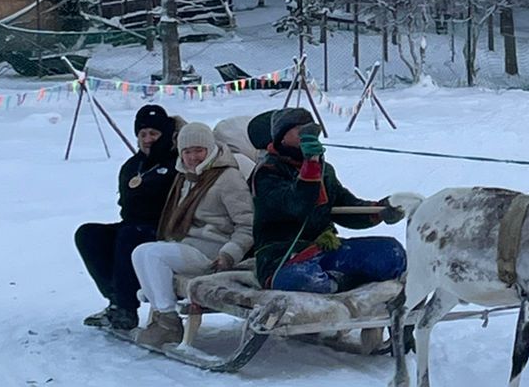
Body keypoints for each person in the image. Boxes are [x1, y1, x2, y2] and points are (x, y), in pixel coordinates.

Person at [247, 107, 406, 293]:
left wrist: (380, 210)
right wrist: (310, 164)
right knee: (301, 278)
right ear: (282, 137)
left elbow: (345, 206)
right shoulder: (267, 171)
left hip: (325, 246)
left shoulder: (325, 170)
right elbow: (297, 205)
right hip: (282, 255)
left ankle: (338, 281)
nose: (308, 135)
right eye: (300, 131)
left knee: (391, 252)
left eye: (311, 130)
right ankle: (342, 284)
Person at [131, 121, 254, 348]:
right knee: (141, 252)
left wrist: (229, 254)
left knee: (152, 255)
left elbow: (248, 225)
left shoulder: (227, 177)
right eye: (187, 151)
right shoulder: (186, 177)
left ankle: (168, 323)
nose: (193, 157)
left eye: (199, 150)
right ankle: (161, 316)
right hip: (189, 244)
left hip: (213, 251)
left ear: (210, 149)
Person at [75, 105, 179, 334]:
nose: (148, 139)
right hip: (133, 224)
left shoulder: (177, 163)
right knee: (88, 234)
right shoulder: (133, 166)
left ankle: (126, 306)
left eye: (154, 134)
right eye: (142, 135)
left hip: (165, 229)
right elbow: (126, 204)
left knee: (131, 233)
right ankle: (114, 298)